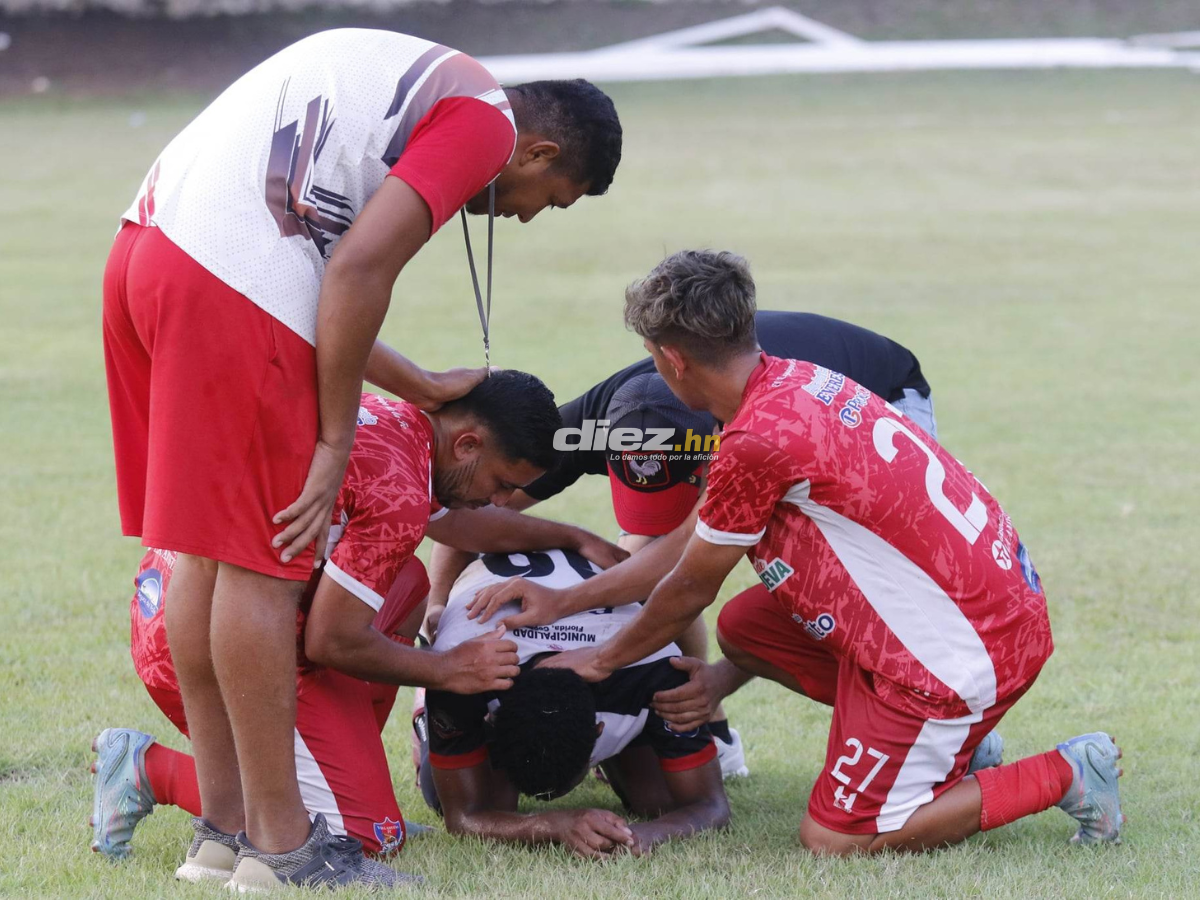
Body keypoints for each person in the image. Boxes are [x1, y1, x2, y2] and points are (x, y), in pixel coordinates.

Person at [102, 25, 622, 886]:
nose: (527, 214)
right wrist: (334, 439)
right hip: (231, 275)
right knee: (264, 568)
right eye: (549, 196)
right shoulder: (482, 121)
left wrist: (412, 379)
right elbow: (350, 274)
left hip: (150, 251)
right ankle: (283, 846)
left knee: (205, 556)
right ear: (538, 148)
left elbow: (310, 279)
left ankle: (224, 832)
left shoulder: (420, 82)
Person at [540, 250, 1124, 854]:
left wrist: (599, 661)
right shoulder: (795, 379)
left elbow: (690, 586)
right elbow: (692, 544)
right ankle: (950, 747)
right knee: (745, 628)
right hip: (990, 609)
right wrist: (570, 603)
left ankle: (1068, 772)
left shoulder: (753, 442)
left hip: (967, 648)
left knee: (837, 838)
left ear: (673, 360)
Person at [91, 374, 625, 888]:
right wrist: (447, 667)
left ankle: (343, 783)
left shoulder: (398, 421)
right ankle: (150, 768)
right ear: (467, 444)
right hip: (215, 646)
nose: (504, 500)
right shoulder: (403, 489)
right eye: (503, 483)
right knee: (371, 835)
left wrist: (574, 536)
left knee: (408, 580)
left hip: (175, 599)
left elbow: (455, 522)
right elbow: (332, 640)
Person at [429, 310, 935, 778]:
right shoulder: (579, 428)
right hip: (755, 408)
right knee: (653, 558)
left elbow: (688, 572)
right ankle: (708, 724)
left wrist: (581, 623)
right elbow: (468, 504)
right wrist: (438, 608)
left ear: (709, 463)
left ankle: (938, 716)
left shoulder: (743, 433)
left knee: (852, 590)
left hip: (877, 391)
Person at [416, 549, 729, 858]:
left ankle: (629, 739)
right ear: (492, 723)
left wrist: (648, 834)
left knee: (658, 802)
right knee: (462, 800)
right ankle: (423, 712)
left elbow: (711, 805)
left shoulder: (659, 671)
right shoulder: (465, 675)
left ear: (598, 731)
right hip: (482, 620)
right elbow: (462, 818)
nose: (551, 799)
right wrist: (553, 825)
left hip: (604, 635)